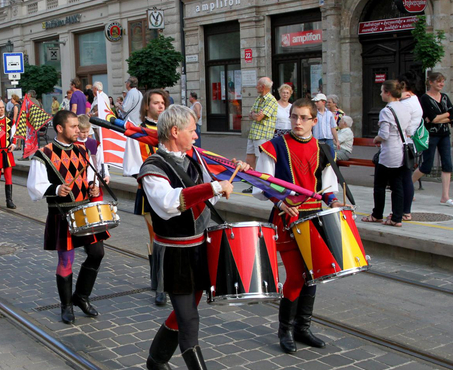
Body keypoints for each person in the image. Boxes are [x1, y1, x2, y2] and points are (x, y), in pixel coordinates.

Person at [142, 105, 246, 370]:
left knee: (184, 314)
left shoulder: (193, 159)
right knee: (190, 322)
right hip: (175, 254)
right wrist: (213, 187)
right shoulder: (152, 167)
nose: (196, 136)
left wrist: (232, 175)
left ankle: (155, 360)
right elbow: (168, 204)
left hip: (200, 249)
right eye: (192, 130)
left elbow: (206, 201)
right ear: (175, 132)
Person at [254, 97, 346, 355]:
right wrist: (281, 202)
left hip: (314, 219)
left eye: (304, 117)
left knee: (313, 275)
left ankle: (302, 329)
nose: (297, 122)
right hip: (287, 219)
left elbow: (327, 188)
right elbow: (261, 185)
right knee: (295, 277)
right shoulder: (274, 146)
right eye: (294, 116)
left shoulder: (324, 149)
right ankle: (284, 330)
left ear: (314, 121)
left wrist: (334, 200)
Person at [27, 110, 108, 325]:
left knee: (97, 253)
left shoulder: (82, 149)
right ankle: (66, 305)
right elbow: (34, 187)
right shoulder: (43, 153)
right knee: (66, 260)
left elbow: (89, 176)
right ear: (60, 128)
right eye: (73, 126)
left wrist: (92, 187)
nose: (77, 130)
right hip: (62, 213)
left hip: (85, 210)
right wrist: (55, 189)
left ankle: (81, 296)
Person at [135, 89, 170, 306]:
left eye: (162, 103)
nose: (160, 106)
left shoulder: (169, 129)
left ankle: (161, 280)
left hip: (173, 191)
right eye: (156, 103)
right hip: (150, 191)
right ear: (147, 106)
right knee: (157, 239)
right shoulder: (139, 132)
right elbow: (135, 166)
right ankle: (159, 286)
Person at [362, 80, 412, 227]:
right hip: (403, 150)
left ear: (388, 93)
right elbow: (409, 130)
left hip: (389, 153)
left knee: (379, 185)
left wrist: (375, 139)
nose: (380, 93)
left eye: (382, 91)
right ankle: (396, 217)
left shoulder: (386, 111)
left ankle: (377, 214)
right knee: (397, 185)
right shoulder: (404, 108)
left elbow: (384, 135)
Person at [413, 72, 453, 207]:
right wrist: (444, 116)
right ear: (431, 82)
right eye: (438, 81)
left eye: (443, 81)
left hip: (444, 134)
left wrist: (440, 117)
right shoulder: (425, 98)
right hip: (430, 135)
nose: (441, 84)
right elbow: (432, 118)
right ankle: (408, 185)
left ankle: (445, 196)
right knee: (426, 166)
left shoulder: (444, 97)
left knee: (447, 164)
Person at [244, 77, 278, 192]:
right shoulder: (259, 98)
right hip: (253, 133)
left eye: (257, 85)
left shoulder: (271, 100)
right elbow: (250, 114)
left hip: (263, 135)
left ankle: (262, 184)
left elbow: (258, 117)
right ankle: (252, 182)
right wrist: (255, 115)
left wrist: (255, 115)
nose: (256, 87)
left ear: (263, 87)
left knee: (261, 159)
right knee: (249, 158)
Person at [397, 72, 423, 221]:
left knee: (401, 180)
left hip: (402, 144)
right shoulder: (414, 100)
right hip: (409, 143)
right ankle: (405, 211)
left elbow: (397, 123)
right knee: (405, 178)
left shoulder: (406, 103)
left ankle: (403, 212)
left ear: (403, 85)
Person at [0, 100, 17, 209]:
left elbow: (14, 135)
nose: (1, 109)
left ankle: (9, 200)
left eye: (2, 107)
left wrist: (14, 145)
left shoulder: (10, 121)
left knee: (8, 177)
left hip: (7, 152)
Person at [312, 93, 340, 158]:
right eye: (315, 102)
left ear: (323, 102)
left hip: (328, 139)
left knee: (331, 157)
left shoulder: (329, 114)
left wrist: (337, 140)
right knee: (319, 157)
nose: (315, 103)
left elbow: (333, 127)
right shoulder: (314, 113)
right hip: (318, 139)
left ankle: (332, 168)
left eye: (317, 102)